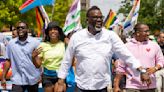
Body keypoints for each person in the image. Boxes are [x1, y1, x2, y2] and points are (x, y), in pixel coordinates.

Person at [54, 6, 151, 92]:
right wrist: (61, 81)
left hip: (102, 86)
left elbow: (126, 55)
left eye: (101, 17)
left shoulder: (110, 36)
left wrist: (142, 70)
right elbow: (67, 59)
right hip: (81, 86)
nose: (99, 20)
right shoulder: (77, 37)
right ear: (87, 20)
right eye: (95, 17)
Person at [114, 23, 164, 92]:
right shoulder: (127, 47)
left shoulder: (154, 45)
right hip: (132, 87)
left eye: (148, 31)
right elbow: (120, 67)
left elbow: (161, 60)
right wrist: (116, 86)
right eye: (145, 31)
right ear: (137, 33)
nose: (148, 33)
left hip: (150, 85)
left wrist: (155, 68)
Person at [1, 21, 41, 92]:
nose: (20, 29)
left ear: (27, 30)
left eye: (23, 28)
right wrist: (3, 77)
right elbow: (8, 61)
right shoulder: (11, 43)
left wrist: (34, 57)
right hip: (17, 79)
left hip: (32, 79)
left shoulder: (35, 42)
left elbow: (39, 64)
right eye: (18, 28)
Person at [32, 21, 66, 92]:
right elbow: (38, 65)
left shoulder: (64, 44)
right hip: (47, 75)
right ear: (48, 32)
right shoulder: (42, 45)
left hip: (61, 74)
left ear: (59, 31)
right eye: (50, 29)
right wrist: (34, 57)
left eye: (55, 29)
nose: (53, 31)